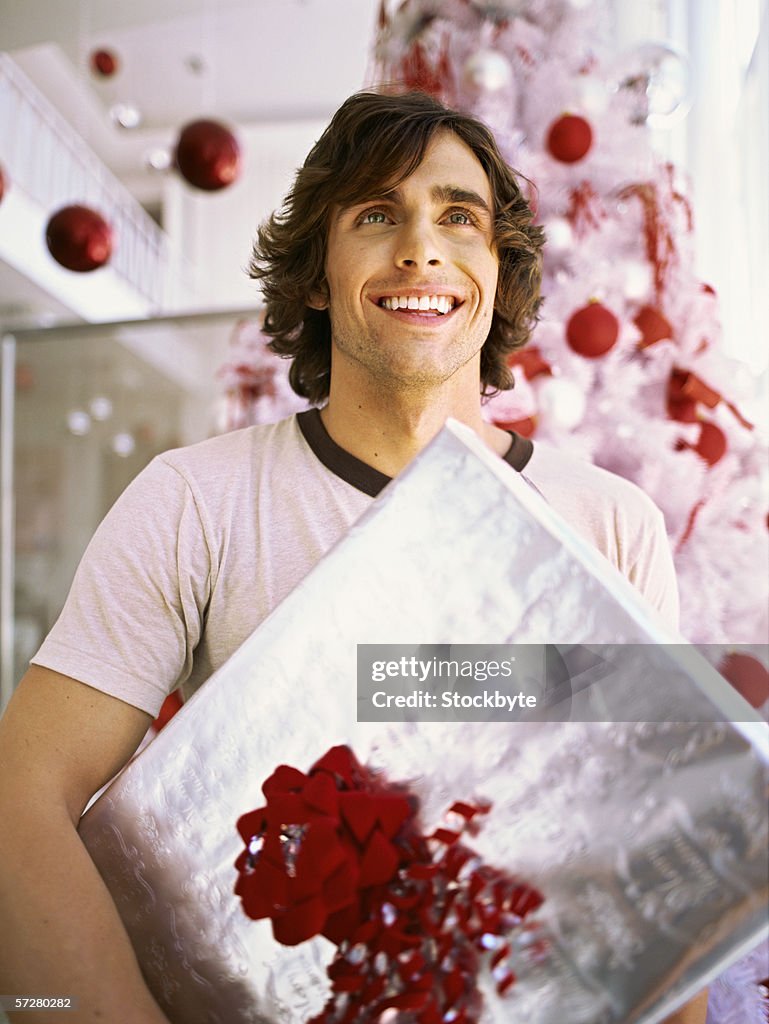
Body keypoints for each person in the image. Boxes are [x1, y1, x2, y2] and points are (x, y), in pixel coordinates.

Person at [0, 91, 706, 1023]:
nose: (421, 246)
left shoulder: (611, 521)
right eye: (377, 215)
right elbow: (22, 800)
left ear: (496, 272)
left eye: (459, 217)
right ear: (317, 276)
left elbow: (655, 846)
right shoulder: (196, 501)